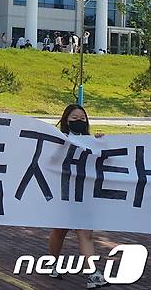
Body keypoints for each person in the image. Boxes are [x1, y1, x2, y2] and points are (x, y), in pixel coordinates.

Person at [48, 104, 108, 288]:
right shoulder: (60, 140)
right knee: (61, 231)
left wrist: (101, 142)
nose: (79, 121)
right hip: (64, 193)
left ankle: (92, 274)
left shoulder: (91, 140)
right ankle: (54, 264)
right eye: (74, 118)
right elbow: (50, 160)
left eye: (82, 118)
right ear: (66, 121)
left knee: (84, 232)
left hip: (84, 194)